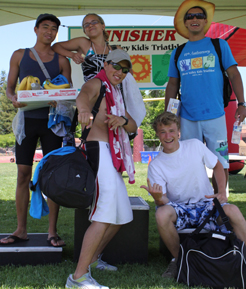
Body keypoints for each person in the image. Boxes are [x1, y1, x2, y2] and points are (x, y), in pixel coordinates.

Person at [141, 111, 246, 279]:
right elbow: (164, 202)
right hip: (181, 209)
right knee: (161, 214)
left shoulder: (194, 145)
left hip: (207, 205)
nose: (168, 136)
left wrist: (220, 191)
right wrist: (158, 197)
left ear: (179, 132)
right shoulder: (156, 165)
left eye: (171, 131)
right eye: (163, 132)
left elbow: (218, 166)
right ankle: (179, 260)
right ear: (157, 135)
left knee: (232, 210)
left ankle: (243, 255)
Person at [65, 49, 137, 289]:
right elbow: (83, 96)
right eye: (117, 66)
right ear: (106, 64)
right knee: (104, 214)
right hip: (99, 151)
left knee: (121, 214)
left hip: (112, 156)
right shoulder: (97, 83)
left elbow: (133, 124)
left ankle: (94, 260)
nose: (120, 72)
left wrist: (122, 121)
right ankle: (78, 277)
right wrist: (84, 110)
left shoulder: (116, 92)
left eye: (125, 69)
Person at [0, 14, 71, 246]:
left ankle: (52, 232)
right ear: (36, 29)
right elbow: (10, 89)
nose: (49, 32)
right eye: (45, 27)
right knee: (23, 174)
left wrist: (58, 99)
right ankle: (21, 230)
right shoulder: (20, 55)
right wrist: (12, 99)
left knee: (51, 177)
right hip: (27, 121)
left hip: (52, 123)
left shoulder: (61, 60)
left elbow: (67, 93)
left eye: (53, 29)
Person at [165, 0, 246, 193]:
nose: (194, 19)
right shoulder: (178, 52)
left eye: (199, 16)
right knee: (190, 164)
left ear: (205, 21)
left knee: (220, 163)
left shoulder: (220, 45)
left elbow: (234, 74)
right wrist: (169, 114)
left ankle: (219, 206)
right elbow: (173, 84)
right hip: (187, 117)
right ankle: (196, 204)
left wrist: (242, 104)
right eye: (190, 17)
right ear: (185, 23)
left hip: (216, 116)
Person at [52, 13, 121, 83]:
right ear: (85, 32)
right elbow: (55, 46)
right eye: (86, 25)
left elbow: (128, 73)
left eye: (94, 22)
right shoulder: (84, 43)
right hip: (92, 92)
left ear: (103, 26)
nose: (90, 25)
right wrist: (72, 55)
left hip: (115, 92)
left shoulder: (116, 49)